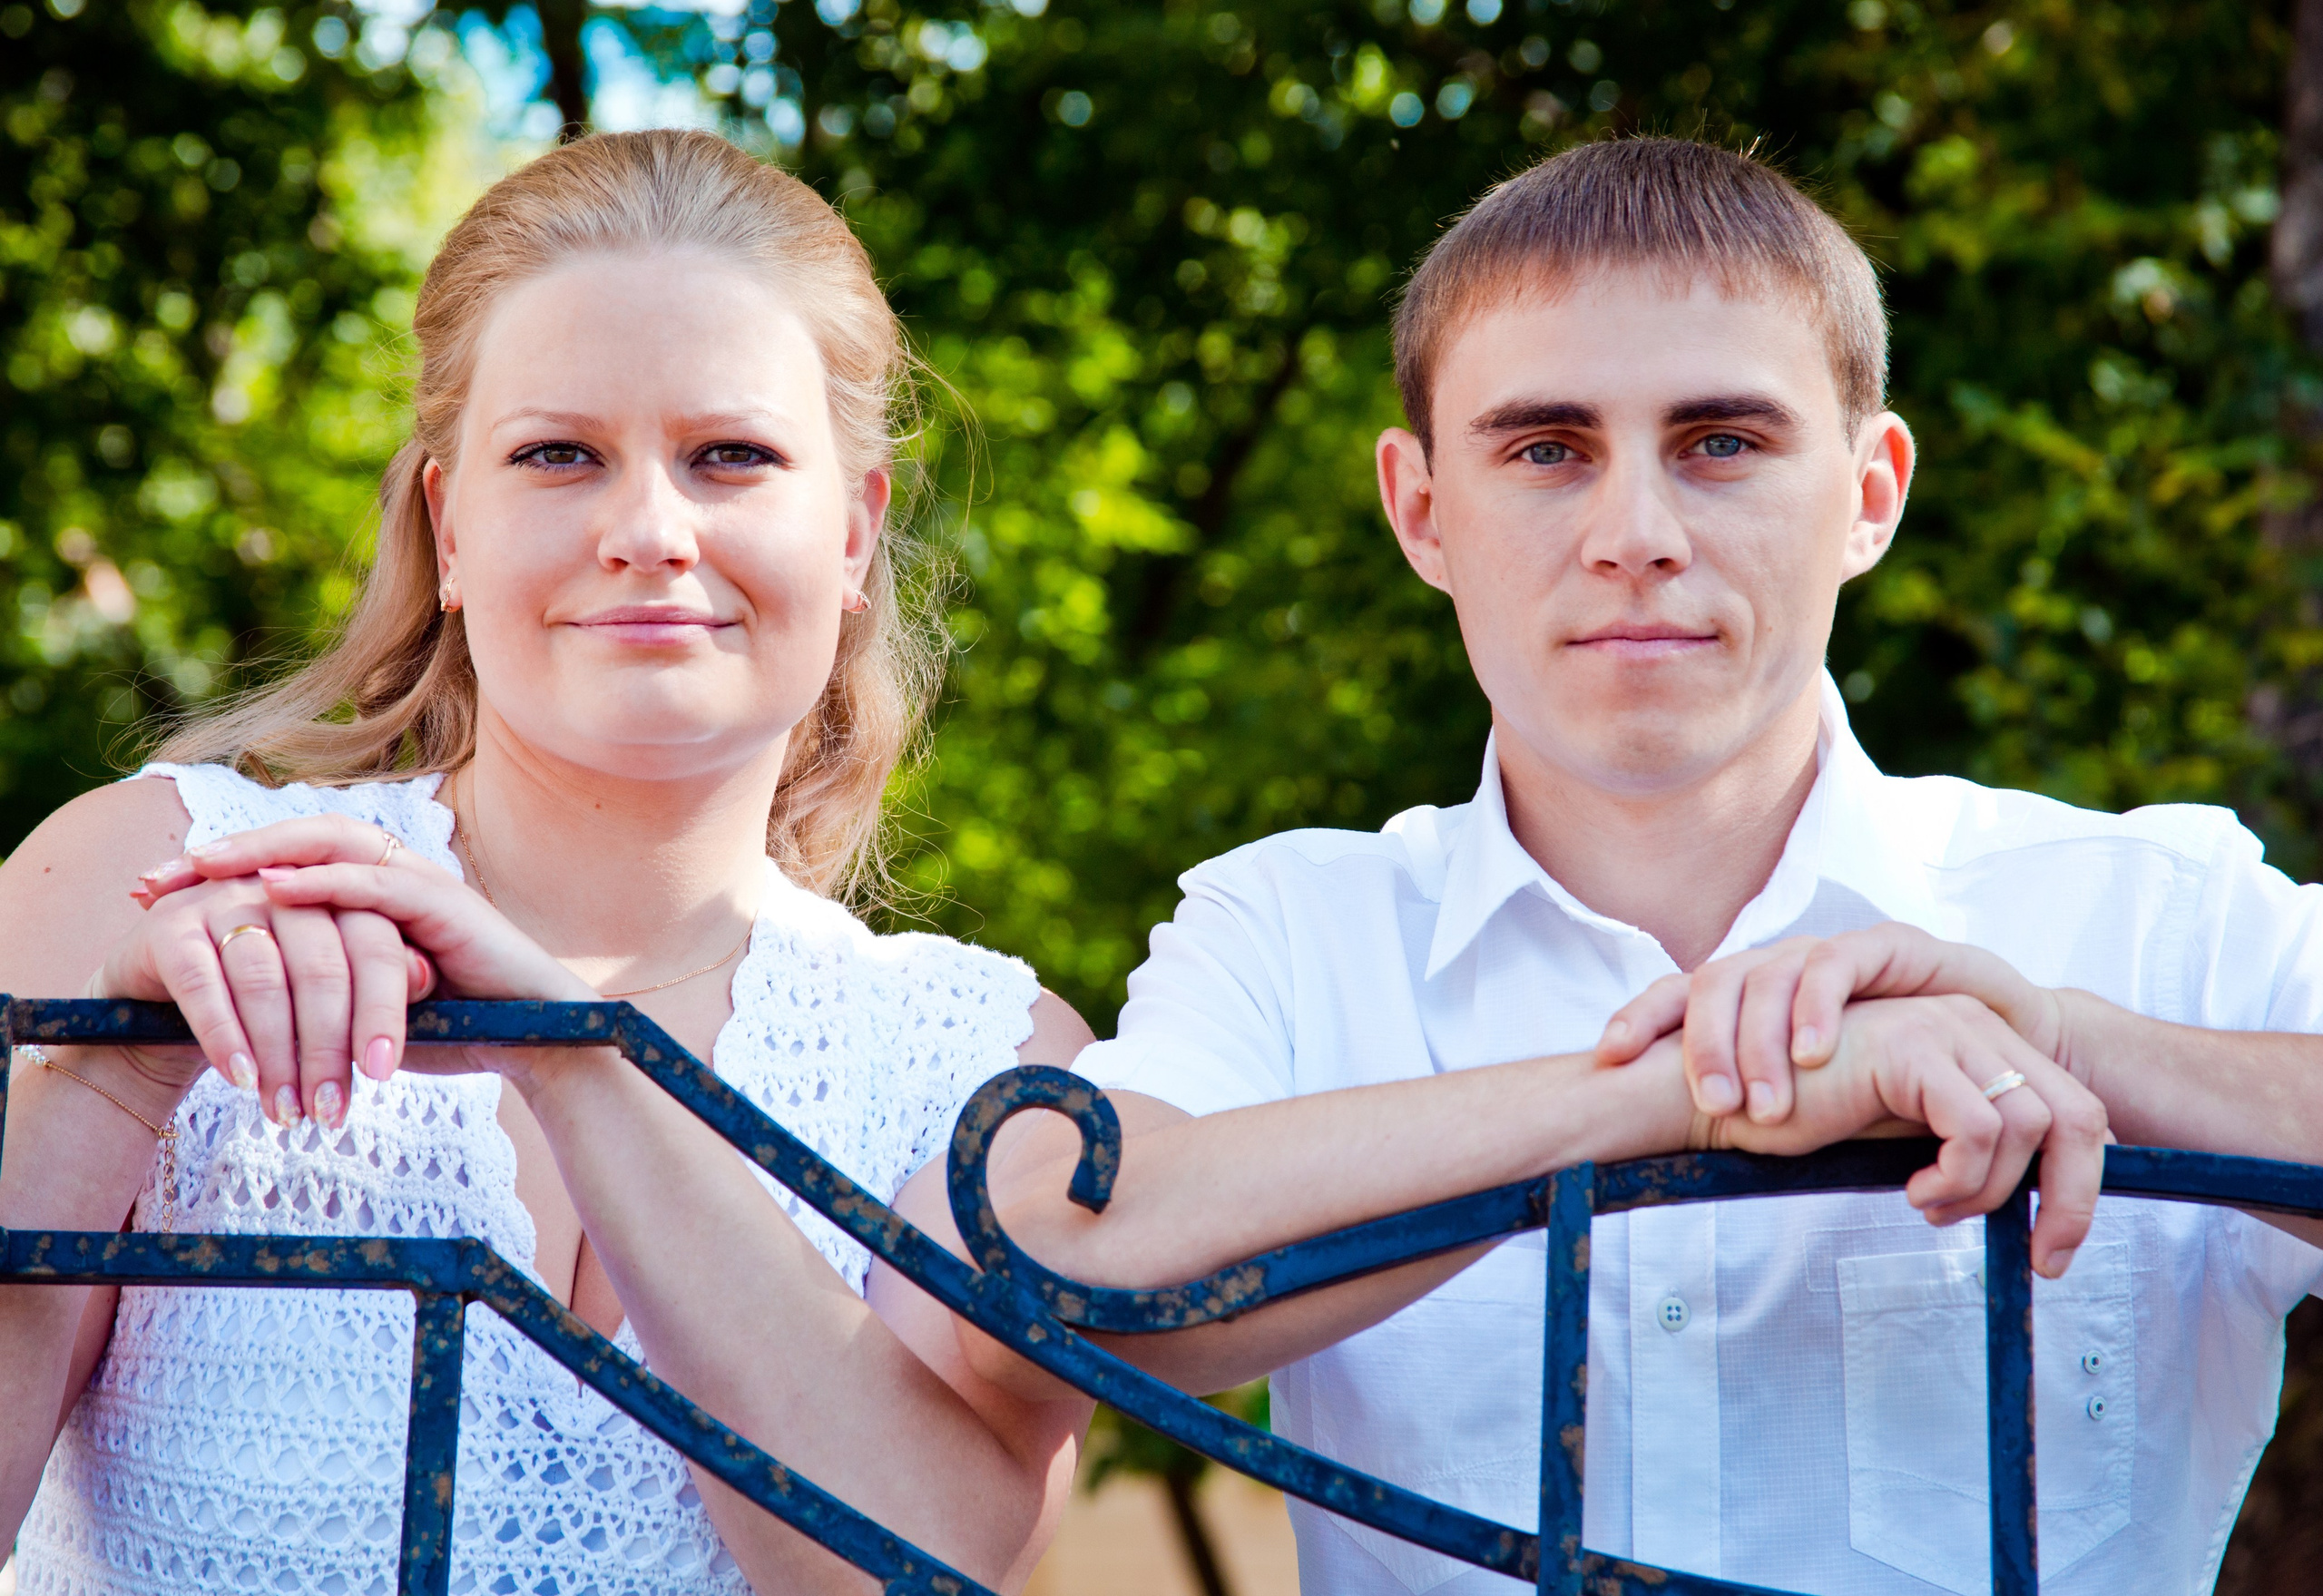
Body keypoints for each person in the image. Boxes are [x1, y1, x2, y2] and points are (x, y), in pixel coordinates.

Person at [970, 137, 2323, 1596]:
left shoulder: (2158, 914)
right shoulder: (1299, 930)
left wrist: (2056, 1039)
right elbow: (1044, 1265)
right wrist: (1685, 1094)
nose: (1637, 537)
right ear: (1421, 508)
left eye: (1722, 444)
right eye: (1546, 450)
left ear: (1871, 492)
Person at [0, 129, 1096, 1596]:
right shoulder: (146, 877)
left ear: (852, 532)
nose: (648, 530)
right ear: (452, 530)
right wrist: (112, 1073)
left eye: (731, 457)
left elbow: (920, 1576)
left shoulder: (985, 1067)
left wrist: (579, 1061)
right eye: (559, 456)